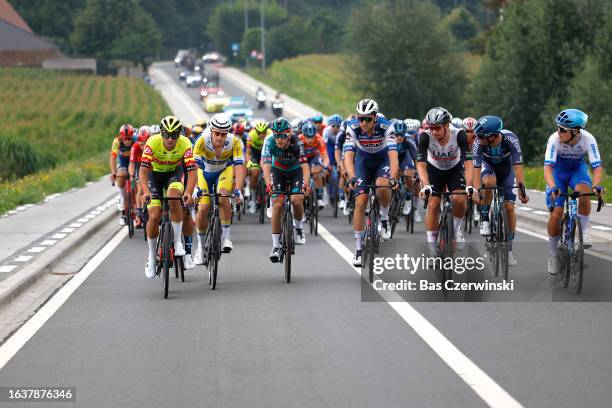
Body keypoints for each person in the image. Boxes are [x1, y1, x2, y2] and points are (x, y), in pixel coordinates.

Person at [544, 109, 604, 274]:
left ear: (576, 131)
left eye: (563, 129)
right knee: (556, 213)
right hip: (557, 172)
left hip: (577, 170)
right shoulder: (554, 139)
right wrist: (553, 186)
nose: (559, 132)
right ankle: (554, 255)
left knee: (584, 195)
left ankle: (584, 231)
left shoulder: (588, 139)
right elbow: (547, 169)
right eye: (558, 127)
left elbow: (597, 168)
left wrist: (596, 186)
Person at [344, 99, 399, 266]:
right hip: (363, 162)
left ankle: (384, 218)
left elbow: (393, 155)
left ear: (375, 117)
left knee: (383, 185)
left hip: (382, 160)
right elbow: (348, 156)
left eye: (368, 119)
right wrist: (352, 177)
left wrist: (394, 177)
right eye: (361, 118)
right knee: (360, 202)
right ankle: (359, 249)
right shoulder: (352, 127)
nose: (363, 122)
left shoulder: (386, 126)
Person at [140, 116, 196, 278]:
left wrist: (188, 192)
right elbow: (143, 170)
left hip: (173, 173)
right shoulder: (152, 142)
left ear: (179, 134)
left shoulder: (185, 143)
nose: (170, 139)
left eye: (174, 135)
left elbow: (192, 171)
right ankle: (151, 257)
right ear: (161, 133)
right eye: (166, 135)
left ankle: (178, 242)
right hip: (154, 176)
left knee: (173, 198)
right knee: (155, 214)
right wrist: (145, 191)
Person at [471, 115, 529, 266]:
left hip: (506, 169)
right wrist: (477, 191)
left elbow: (518, 166)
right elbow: (476, 170)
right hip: (487, 165)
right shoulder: (479, 142)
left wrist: (522, 190)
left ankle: (509, 250)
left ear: (493, 136)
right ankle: (485, 217)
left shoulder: (511, 139)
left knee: (509, 208)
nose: (478, 139)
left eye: (482, 136)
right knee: (490, 182)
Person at [417, 107, 473, 253]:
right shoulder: (425, 137)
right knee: (433, 204)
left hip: (454, 170)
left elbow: (468, 162)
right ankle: (431, 249)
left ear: (447, 125)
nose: (434, 132)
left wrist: (468, 185)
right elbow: (421, 164)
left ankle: (455, 229)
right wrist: (425, 185)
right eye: (431, 128)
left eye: (437, 128)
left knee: (460, 199)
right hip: (434, 170)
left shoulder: (459, 134)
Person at [192, 113, 245, 263]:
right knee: (203, 208)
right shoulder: (202, 140)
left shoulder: (234, 142)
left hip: (224, 171)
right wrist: (195, 187)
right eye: (217, 133)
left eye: (224, 133)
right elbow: (194, 166)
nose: (220, 137)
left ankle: (226, 238)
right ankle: (201, 249)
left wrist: (238, 189)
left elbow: (239, 166)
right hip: (204, 172)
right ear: (211, 130)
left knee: (223, 197)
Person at [262, 117, 311, 260]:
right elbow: (265, 165)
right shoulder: (269, 141)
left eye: (283, 135)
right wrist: (268, 184)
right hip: (277, 172)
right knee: (277, 204)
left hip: (296, 171)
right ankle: (276, 247)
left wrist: (306, 184)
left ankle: (299, 228)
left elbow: (305, 166)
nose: (279, 139)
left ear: (289, 133)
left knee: (297, 200)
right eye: (276, 135)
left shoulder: (297, 142)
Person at [110, 124, 136, 225]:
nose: (127, 141)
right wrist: (113, 172)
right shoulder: (117, 141)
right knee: (121, 175)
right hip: (123, 163)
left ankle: (138, 212)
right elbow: (112, 157)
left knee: (137, 186)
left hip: (134, 163)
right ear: (121, 137)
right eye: (125, 139)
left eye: (129, 138)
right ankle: (122, 198)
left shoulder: (136, 140)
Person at [299, 122, 330, 209]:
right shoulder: (298, 139)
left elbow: (325, 156)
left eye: (312, 137)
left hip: (314, 157)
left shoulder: (319, 139)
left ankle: (319, 197)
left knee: (317, 173)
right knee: (301, 176)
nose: (310, 140)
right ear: (303, 135)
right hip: (302, 158)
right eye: (307, 137)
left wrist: (325, 166)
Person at [245, 119, 272, 214]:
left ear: (266, 131)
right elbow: (248, 152)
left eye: (263, 132)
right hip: (256, 154)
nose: (261, 135)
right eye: (259, 132)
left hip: (267, 154)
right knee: (255, 173)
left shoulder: (270, 134)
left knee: (270, 174)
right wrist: (248, 162)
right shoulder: (251, 135)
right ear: (256, 131)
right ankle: (252, 199)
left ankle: (271, 201)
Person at [128, 126, 150, 229]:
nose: (143, 147)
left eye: (145, 144)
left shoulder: (152, 145)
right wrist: (132, 175)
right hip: (139, 165)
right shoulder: (135, 147)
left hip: (150, 165)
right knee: (140, 188)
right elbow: (131, 164)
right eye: (141, 145)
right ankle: (139, 213)